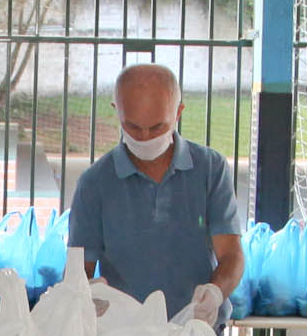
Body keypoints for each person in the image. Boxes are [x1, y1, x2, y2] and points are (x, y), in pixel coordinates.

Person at [64, 63, 245, 318]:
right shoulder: (95, 183)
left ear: (178, 113)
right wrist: (84, 297)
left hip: (197, 331)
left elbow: (231, 254)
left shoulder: (210, 170)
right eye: (134, 127)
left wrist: (215, 293)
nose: (145, 137)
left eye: (157, 127)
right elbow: (77, 269)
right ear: (117, 112)